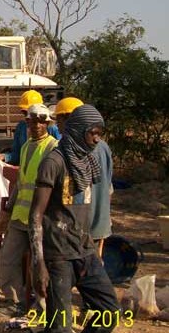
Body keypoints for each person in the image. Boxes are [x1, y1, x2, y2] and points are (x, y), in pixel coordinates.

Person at [29, 105, 120, 332]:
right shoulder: (54, 162)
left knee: (109, 311)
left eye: (100, 133)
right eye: (93, 133)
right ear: (79, 130)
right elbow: (35, 214)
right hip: (58, 255)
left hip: (84, 250)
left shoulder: (88, 161)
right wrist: (38, 263)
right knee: (60, 326)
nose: (97, 139)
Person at [0, 104, 58, 317]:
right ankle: (15, 302)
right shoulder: (25, 147)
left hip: (41, 219)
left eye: (42, 121)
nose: (37, 125)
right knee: (8, 259)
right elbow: (21, 184)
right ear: (27, 123)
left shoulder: (53, 148)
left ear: (47, 123)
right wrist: (6, 212)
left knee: (39, 265)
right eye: (33, 121)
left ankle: (41, 307)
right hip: (20, 217)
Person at [54, 97, 113, 257]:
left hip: (79, 225)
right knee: (93, 270)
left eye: (59, 120)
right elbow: (108, 189)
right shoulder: (104, 147)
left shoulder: (70, 150)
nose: (57, 126)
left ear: (71, 120)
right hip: (99, 222)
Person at [0, 90, 61, 165]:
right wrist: (5, 157)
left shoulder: (51, 128)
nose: (27, 116)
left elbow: (61, 154)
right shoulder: (21, 127)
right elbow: (18, 154)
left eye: (30, 112)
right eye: (25, 113)